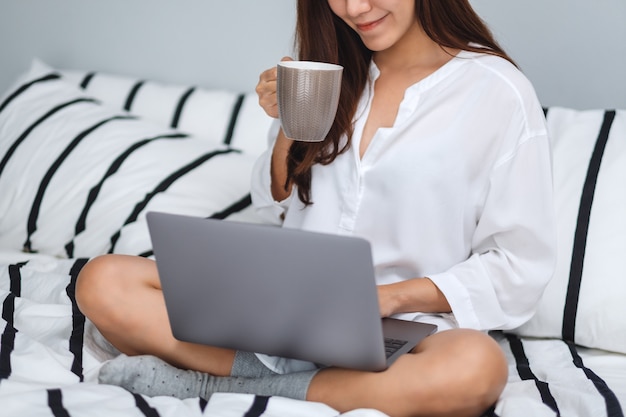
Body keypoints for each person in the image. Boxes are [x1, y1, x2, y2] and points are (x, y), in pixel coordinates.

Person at [76, 1, 557, 416]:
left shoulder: (498, 92)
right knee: (102, 281)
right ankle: (306, 386)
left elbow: (519, 265)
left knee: (477, 367)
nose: (355, 9)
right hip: (286, 304)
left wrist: (390, 297)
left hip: (403, 326)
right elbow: (275, 203)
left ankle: (214, 385)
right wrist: (288, 123)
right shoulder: (327, 72)